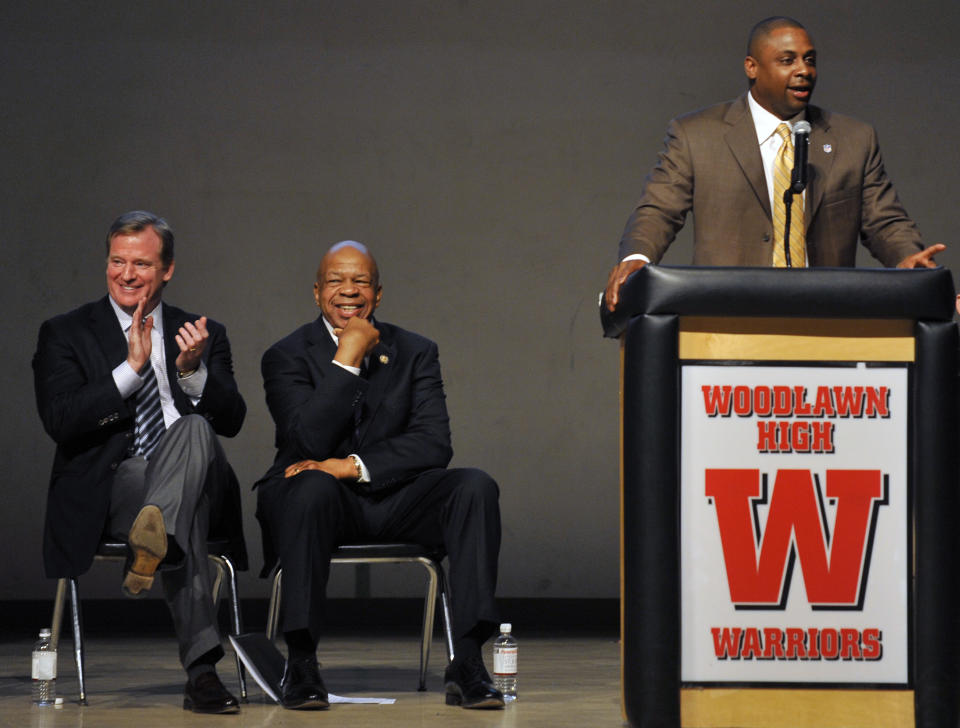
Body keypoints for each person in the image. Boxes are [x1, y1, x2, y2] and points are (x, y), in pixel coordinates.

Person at [255, 240, 503, 710]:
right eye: (336, 281)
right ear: (316, 292)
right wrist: (347, 356)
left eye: (360, 281)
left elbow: (434, 444)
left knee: (474, 486)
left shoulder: (414, 351)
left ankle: (467, 660)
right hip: (318, 503)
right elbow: (306, 442)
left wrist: (351, 466)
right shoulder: (285, 356)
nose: (348, 291)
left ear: (378, 293)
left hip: (393, 496)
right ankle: (302, 662)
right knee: (310, 485)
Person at [33, 211, 247, 714]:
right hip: (117, 487)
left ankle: (157, 536)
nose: (126, 274)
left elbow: (233, 419)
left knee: (195, 427)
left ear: (167, 269)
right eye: (116, 261)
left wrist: (193, 374)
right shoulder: (65, 333)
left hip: (198, 477)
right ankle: (202, 674)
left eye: (141, 264)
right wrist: (129, 371)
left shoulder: (201, 332)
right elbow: (60, 420)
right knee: (180, 510)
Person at [604, 16, 945, 311]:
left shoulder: (854, 139)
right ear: (752, 67)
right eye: (788, 60)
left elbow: (884, 222)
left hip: (826, 321)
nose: (804, 71)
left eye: (810, 60)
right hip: (725, 322)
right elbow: (659, 209)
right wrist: (638, 258)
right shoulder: (697, 135)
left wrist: (908, 261)